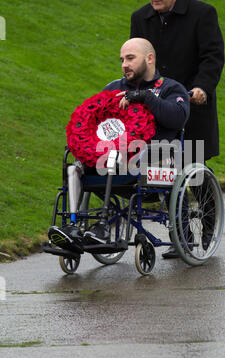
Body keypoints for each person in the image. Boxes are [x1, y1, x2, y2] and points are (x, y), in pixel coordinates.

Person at [48, 38, 190, 252]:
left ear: (149, 59)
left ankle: (104, 226)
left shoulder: (171, 88)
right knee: (74, 166)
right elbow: (93, 122)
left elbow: (178, 118)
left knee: (115, 155)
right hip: (113, 161)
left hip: (157, 160)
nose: (124, 64)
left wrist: (145, 98)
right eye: (122, 59)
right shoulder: (113, 88)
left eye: (130, 58)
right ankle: (72, 227)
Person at [130, 0, 225, 258]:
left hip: (191, 104)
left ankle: (207, 229)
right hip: (156, 108)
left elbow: (212, 57)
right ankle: (180, 236)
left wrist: (201, 88)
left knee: (193, 174)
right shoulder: (141, 18)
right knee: (166, 173)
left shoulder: (202, 14)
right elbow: (137, 59)